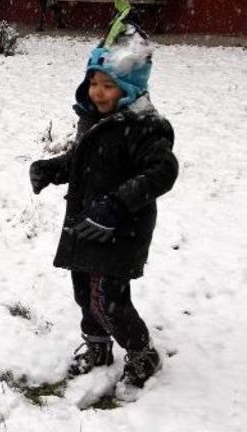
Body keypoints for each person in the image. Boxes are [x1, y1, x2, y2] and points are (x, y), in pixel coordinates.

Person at [29, 20, 178, 400]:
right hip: (84, 223)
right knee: (84, 293)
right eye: (94, 82)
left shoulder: (145, 126)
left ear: (129, 87)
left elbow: (162, 171)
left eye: (108, 85)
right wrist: (53, 169)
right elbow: (82, 160)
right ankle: (97, 346)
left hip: (120, 229)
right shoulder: (93, 119)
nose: (97, 92)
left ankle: (142, 354)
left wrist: (116, 205)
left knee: (109, 300)